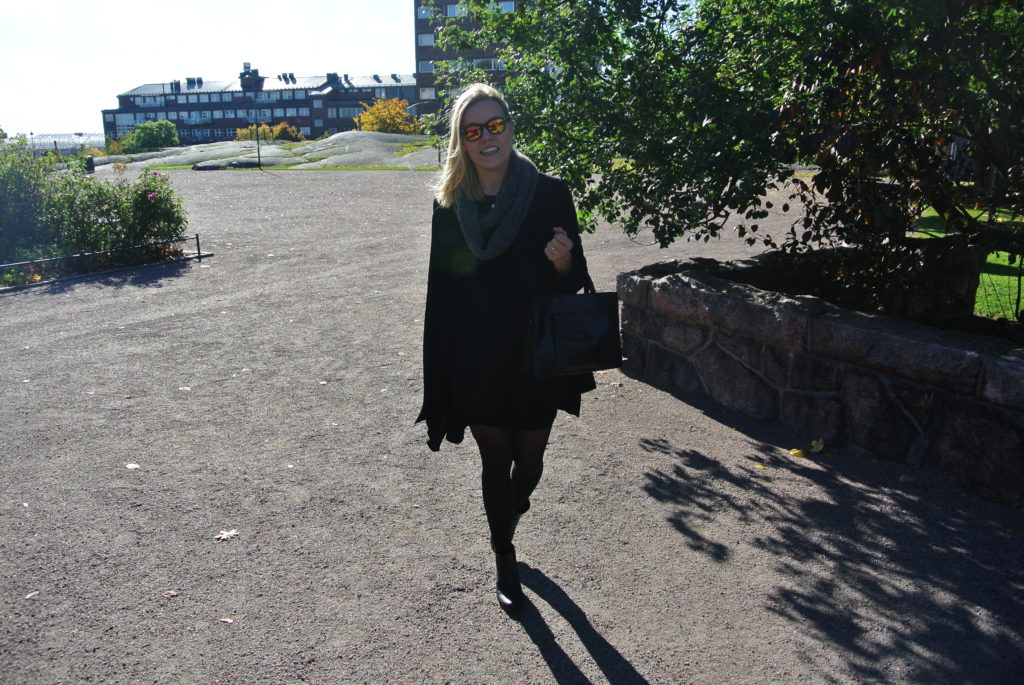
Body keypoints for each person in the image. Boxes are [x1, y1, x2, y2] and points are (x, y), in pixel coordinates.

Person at [416, 83, 597, 614]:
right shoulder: (451, 203)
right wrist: (440, 366)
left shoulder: (549, 192)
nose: (487, 138)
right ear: (462, 142)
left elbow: (575, 279)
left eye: (495, 125)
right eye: (473, 131)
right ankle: (504, 556)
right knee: (495, 460)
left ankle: (514, 509)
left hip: (537, 354)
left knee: (531, 461)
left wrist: (563, 261)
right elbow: (441, 289)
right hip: (478, 355)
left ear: (511, 127)